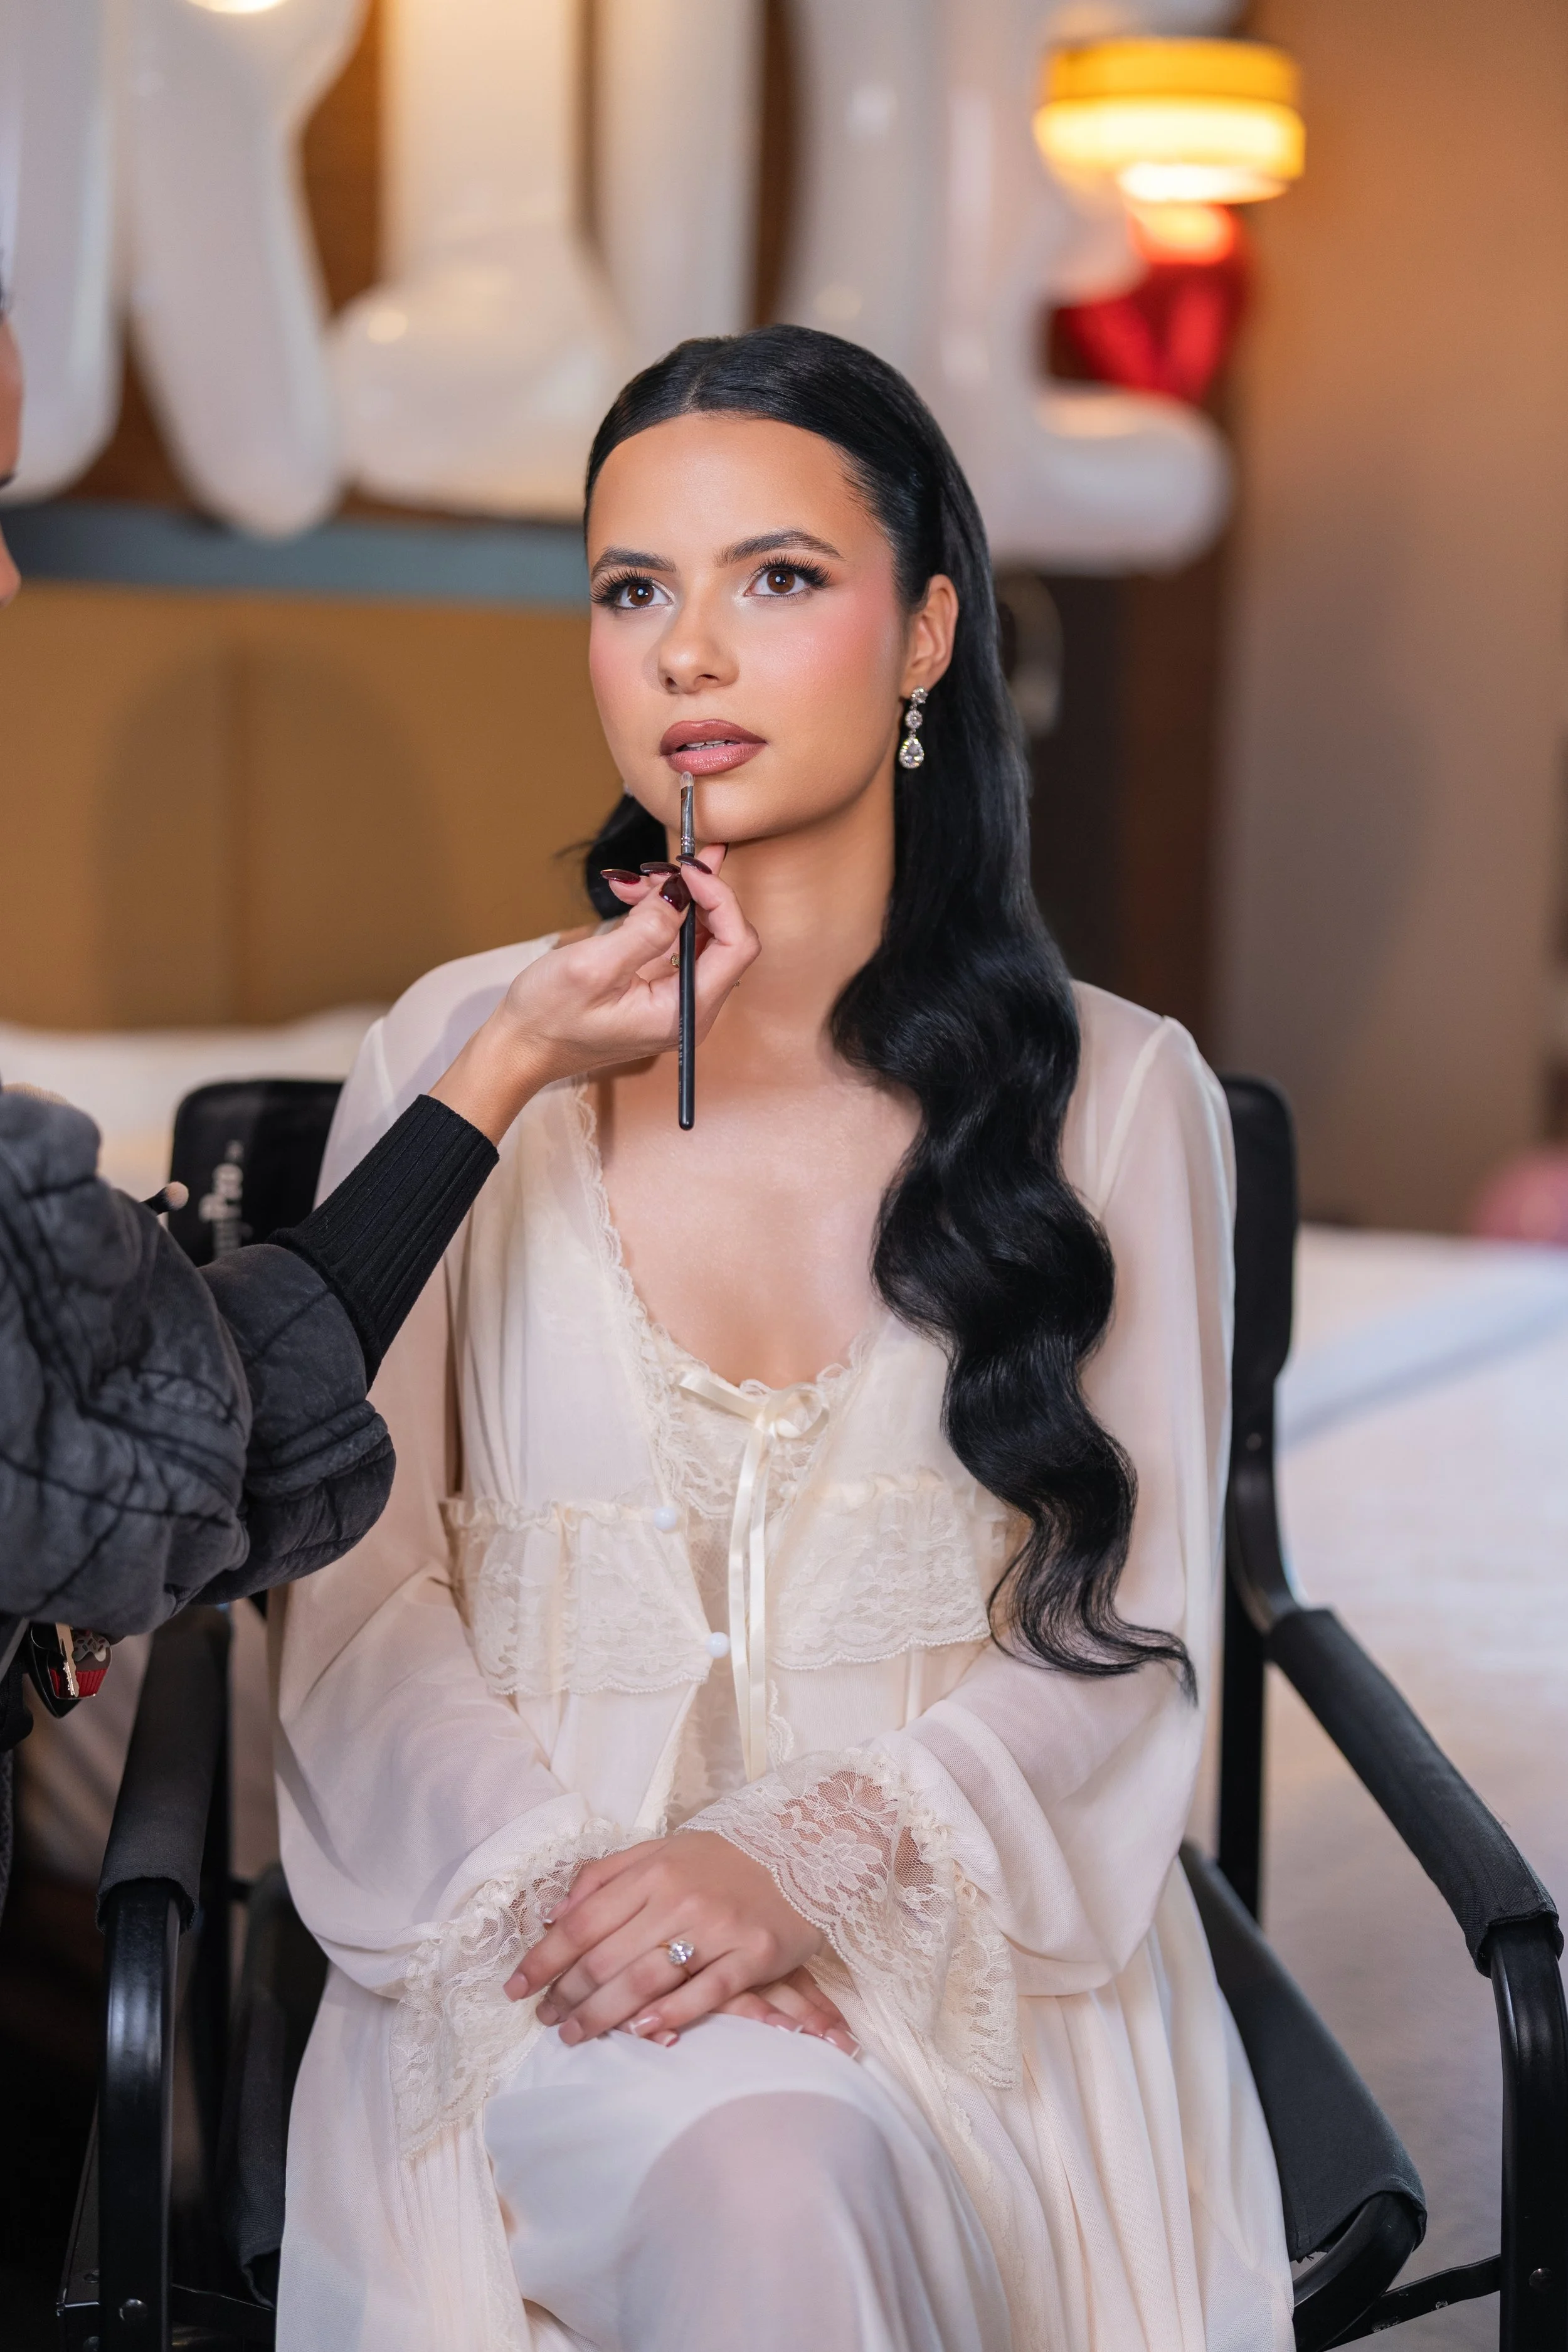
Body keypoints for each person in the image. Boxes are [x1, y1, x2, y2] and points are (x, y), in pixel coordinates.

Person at [272, 324, 1293, 2352]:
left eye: (779, 579)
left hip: (986, 1982)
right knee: (765, 2160)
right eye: (632, 588)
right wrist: (606, 1912)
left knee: (791, 2166)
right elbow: (353, 1604)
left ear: (928, 632)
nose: (689, 655)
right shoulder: (464, 1055)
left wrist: (803, 1865)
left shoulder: (1117, 1095)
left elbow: (1132, 1625)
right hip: (530, 1972)